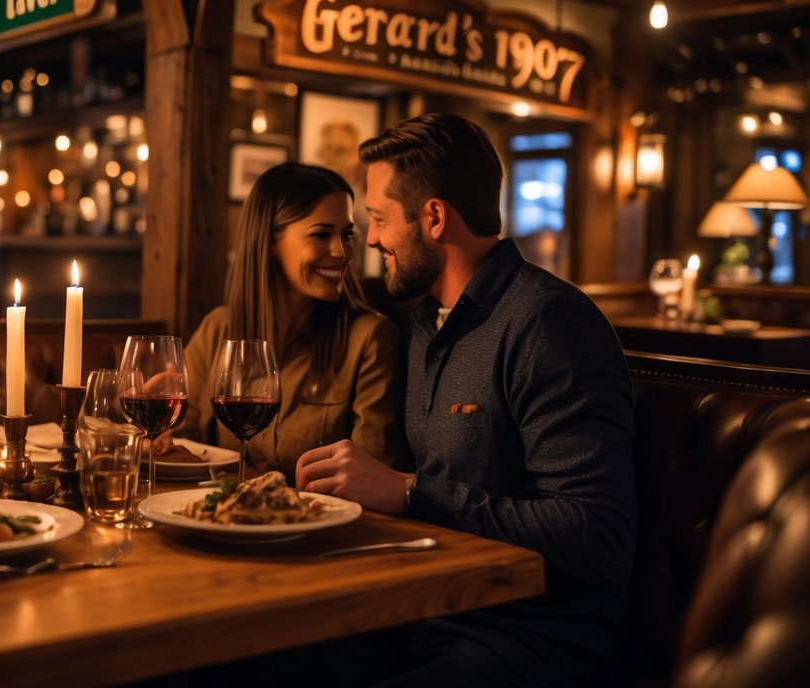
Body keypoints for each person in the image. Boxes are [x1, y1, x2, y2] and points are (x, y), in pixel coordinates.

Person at [295, 113, 638, 687]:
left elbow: (596, 533)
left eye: (378, 219)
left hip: (534, 640)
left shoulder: (549, 323)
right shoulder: (424, 323)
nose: (372, 238)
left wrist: (408, 490)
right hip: (428, 613)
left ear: (433, 218)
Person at [173, 162, 405, 483]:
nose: (342, 252)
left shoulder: (371, 340)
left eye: (347, 234)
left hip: (319, 527)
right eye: (321, 234)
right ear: (270, 242)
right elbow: (181, 446)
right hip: (220, 519)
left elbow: (368, 481)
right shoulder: (219, 329)